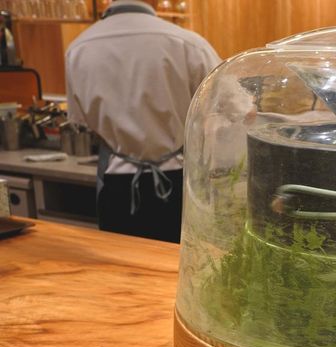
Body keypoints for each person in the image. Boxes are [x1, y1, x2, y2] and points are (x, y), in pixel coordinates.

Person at [65, 0, 220, 242]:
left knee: (122, 261)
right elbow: (231, 109)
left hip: (117, 184)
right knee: (176, 262)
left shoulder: (78, 48)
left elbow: (80, 121)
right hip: (179, 180)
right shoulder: (189, 44)